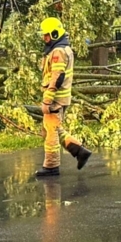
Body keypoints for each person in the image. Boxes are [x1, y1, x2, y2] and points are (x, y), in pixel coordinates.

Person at [35, 17, 93, 178]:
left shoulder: (58, 52)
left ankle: (51, 166)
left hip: (55, 99)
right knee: (54, 129)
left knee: (51, 132)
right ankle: (80, 152)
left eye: (46, 35)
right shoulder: (60, 48)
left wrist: (47, 99)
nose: (44, 38)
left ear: (54, 34)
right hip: (60, 97)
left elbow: (57, 77)